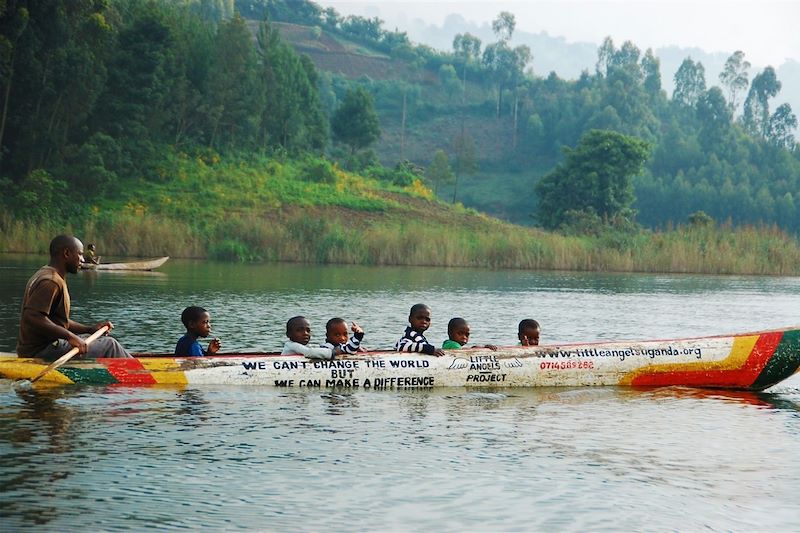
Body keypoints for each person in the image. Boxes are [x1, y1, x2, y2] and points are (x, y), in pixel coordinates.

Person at [16, 235, 132, 360]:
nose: (82, 260)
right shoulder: (51, 281)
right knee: (110, 345)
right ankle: (141, 375)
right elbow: (33, 317)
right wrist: (70, 337)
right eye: (80, 254)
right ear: (66, 253)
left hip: (42, 348)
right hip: (42, 351)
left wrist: (89, 329)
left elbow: (58, 321)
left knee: (97, 341)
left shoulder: (45, 273)